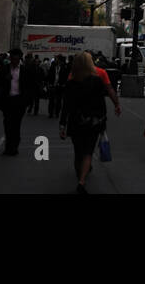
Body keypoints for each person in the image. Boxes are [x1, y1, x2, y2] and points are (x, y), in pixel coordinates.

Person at [59, 52, 116, 193]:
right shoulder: (96, 81)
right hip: (93, 122)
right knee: (88, 152)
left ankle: (79, 174)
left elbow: (66, 105)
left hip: (75, 122)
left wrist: (62, 124)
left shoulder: (71, 83)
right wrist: (103, 121)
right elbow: (101, 104)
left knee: (78, 151)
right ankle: (81, 181)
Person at [0, 48, 29, 155]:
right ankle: (8, 146)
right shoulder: (4, 69)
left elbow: (28, 86)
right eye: (12, 59)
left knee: (16, 125)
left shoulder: (24, 70)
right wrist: (5, 79)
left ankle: (14, 147)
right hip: (7, 101)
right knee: (8, 124)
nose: (14, 61)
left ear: (19, 58)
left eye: (16, 59)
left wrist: (26, 101)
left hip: (19, 101)